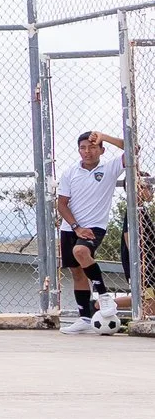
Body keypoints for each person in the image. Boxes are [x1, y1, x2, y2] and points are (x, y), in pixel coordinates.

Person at [54, 129, 127, 333]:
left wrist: (104, 136)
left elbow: (133, 149)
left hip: (94, 227)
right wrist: (76, 227)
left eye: (93, 147)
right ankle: (85, 318)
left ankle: (104, 297)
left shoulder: (110, 167)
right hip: (71, 227)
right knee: (77, 272)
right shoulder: (70, 172)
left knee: (81, 252)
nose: (87, 152)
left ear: (101, 150)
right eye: (83, 148)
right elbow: (62, 204)